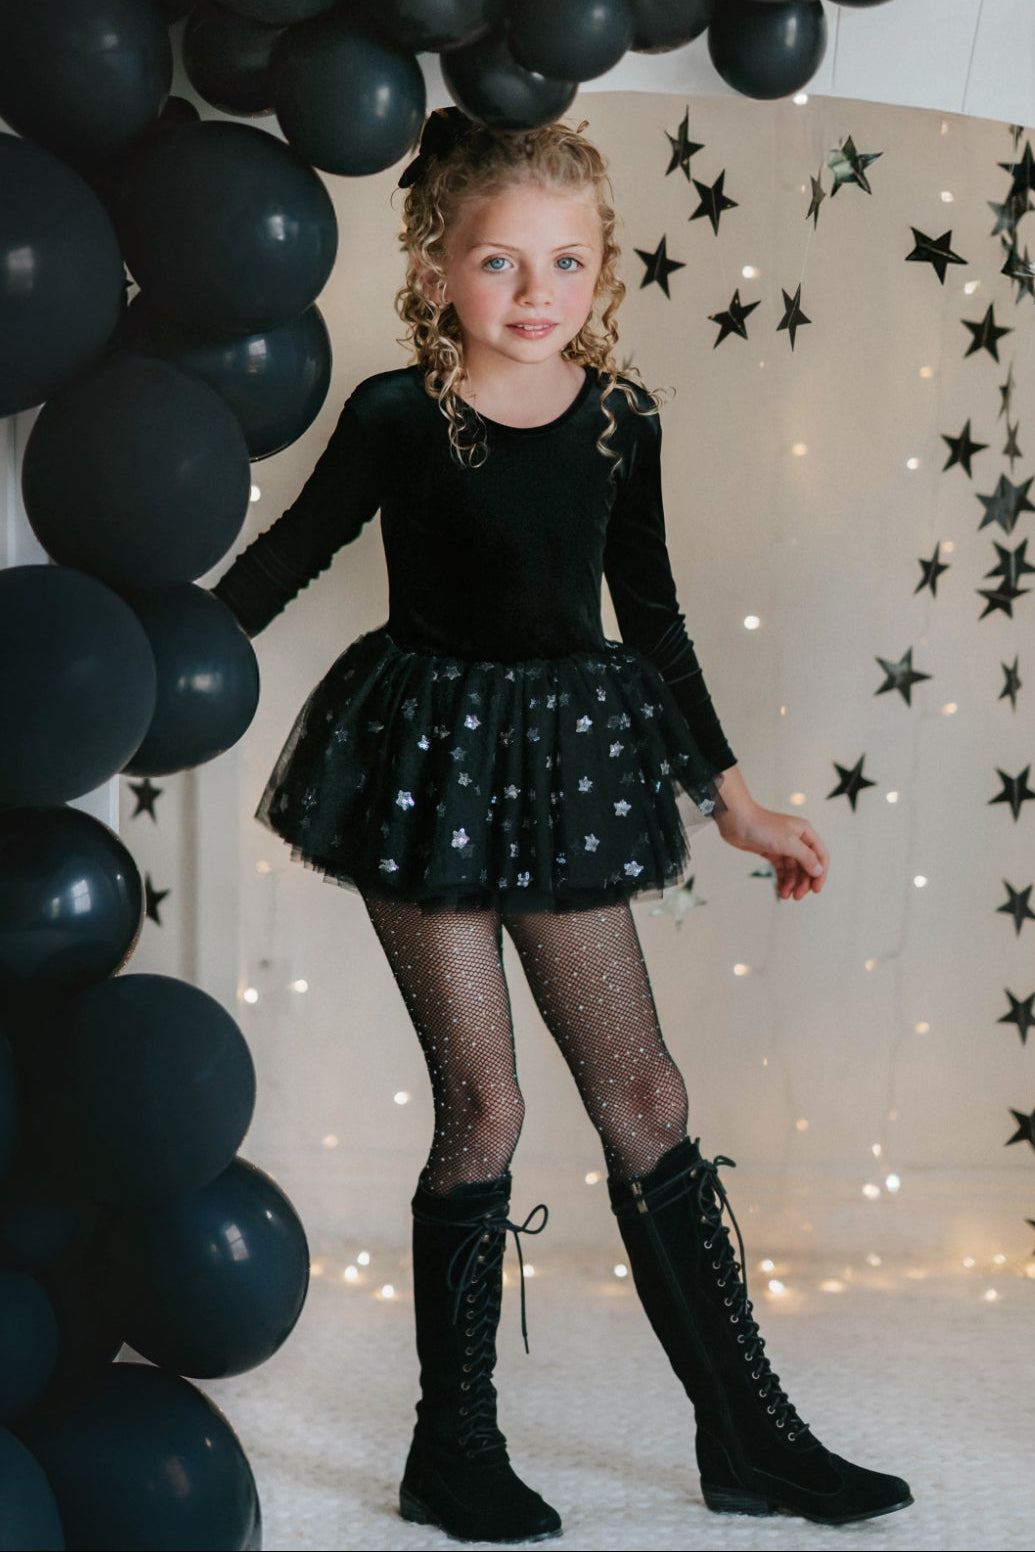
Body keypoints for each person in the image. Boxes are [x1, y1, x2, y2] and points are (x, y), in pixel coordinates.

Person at [210, 107, 912, 1544]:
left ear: (603, 269)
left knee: (643, 1094)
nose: (537, 293)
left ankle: (750, 1438)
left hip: (566, 773)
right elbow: (286, 558)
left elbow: (652, 616)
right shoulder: (397, 416)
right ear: (437, 266)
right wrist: (165, 660)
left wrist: (734, 801)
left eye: (567, 263)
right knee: (488, 1105)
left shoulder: (619, 421)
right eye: (501, 262)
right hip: (418, 767)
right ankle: (451, 1451)